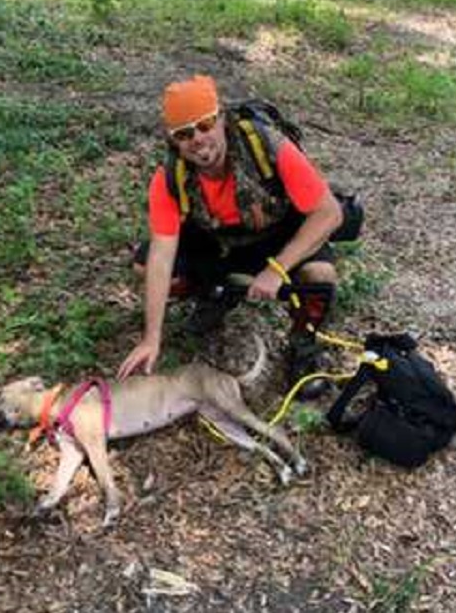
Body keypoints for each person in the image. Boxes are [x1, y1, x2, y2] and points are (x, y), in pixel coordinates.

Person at [117, 74, 344, 398]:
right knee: (146, 267)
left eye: (205, 125)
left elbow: (329, 213)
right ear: (173, 141)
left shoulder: (269, 146)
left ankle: (303, 346)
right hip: (217, 240)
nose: (197, 139)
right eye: (184, 134)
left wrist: (276, 270)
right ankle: (214, 294)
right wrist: (151, 337)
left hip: (276, 231)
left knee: (320, 276)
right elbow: (162, 256)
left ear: (222, 118)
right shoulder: (169, 178)